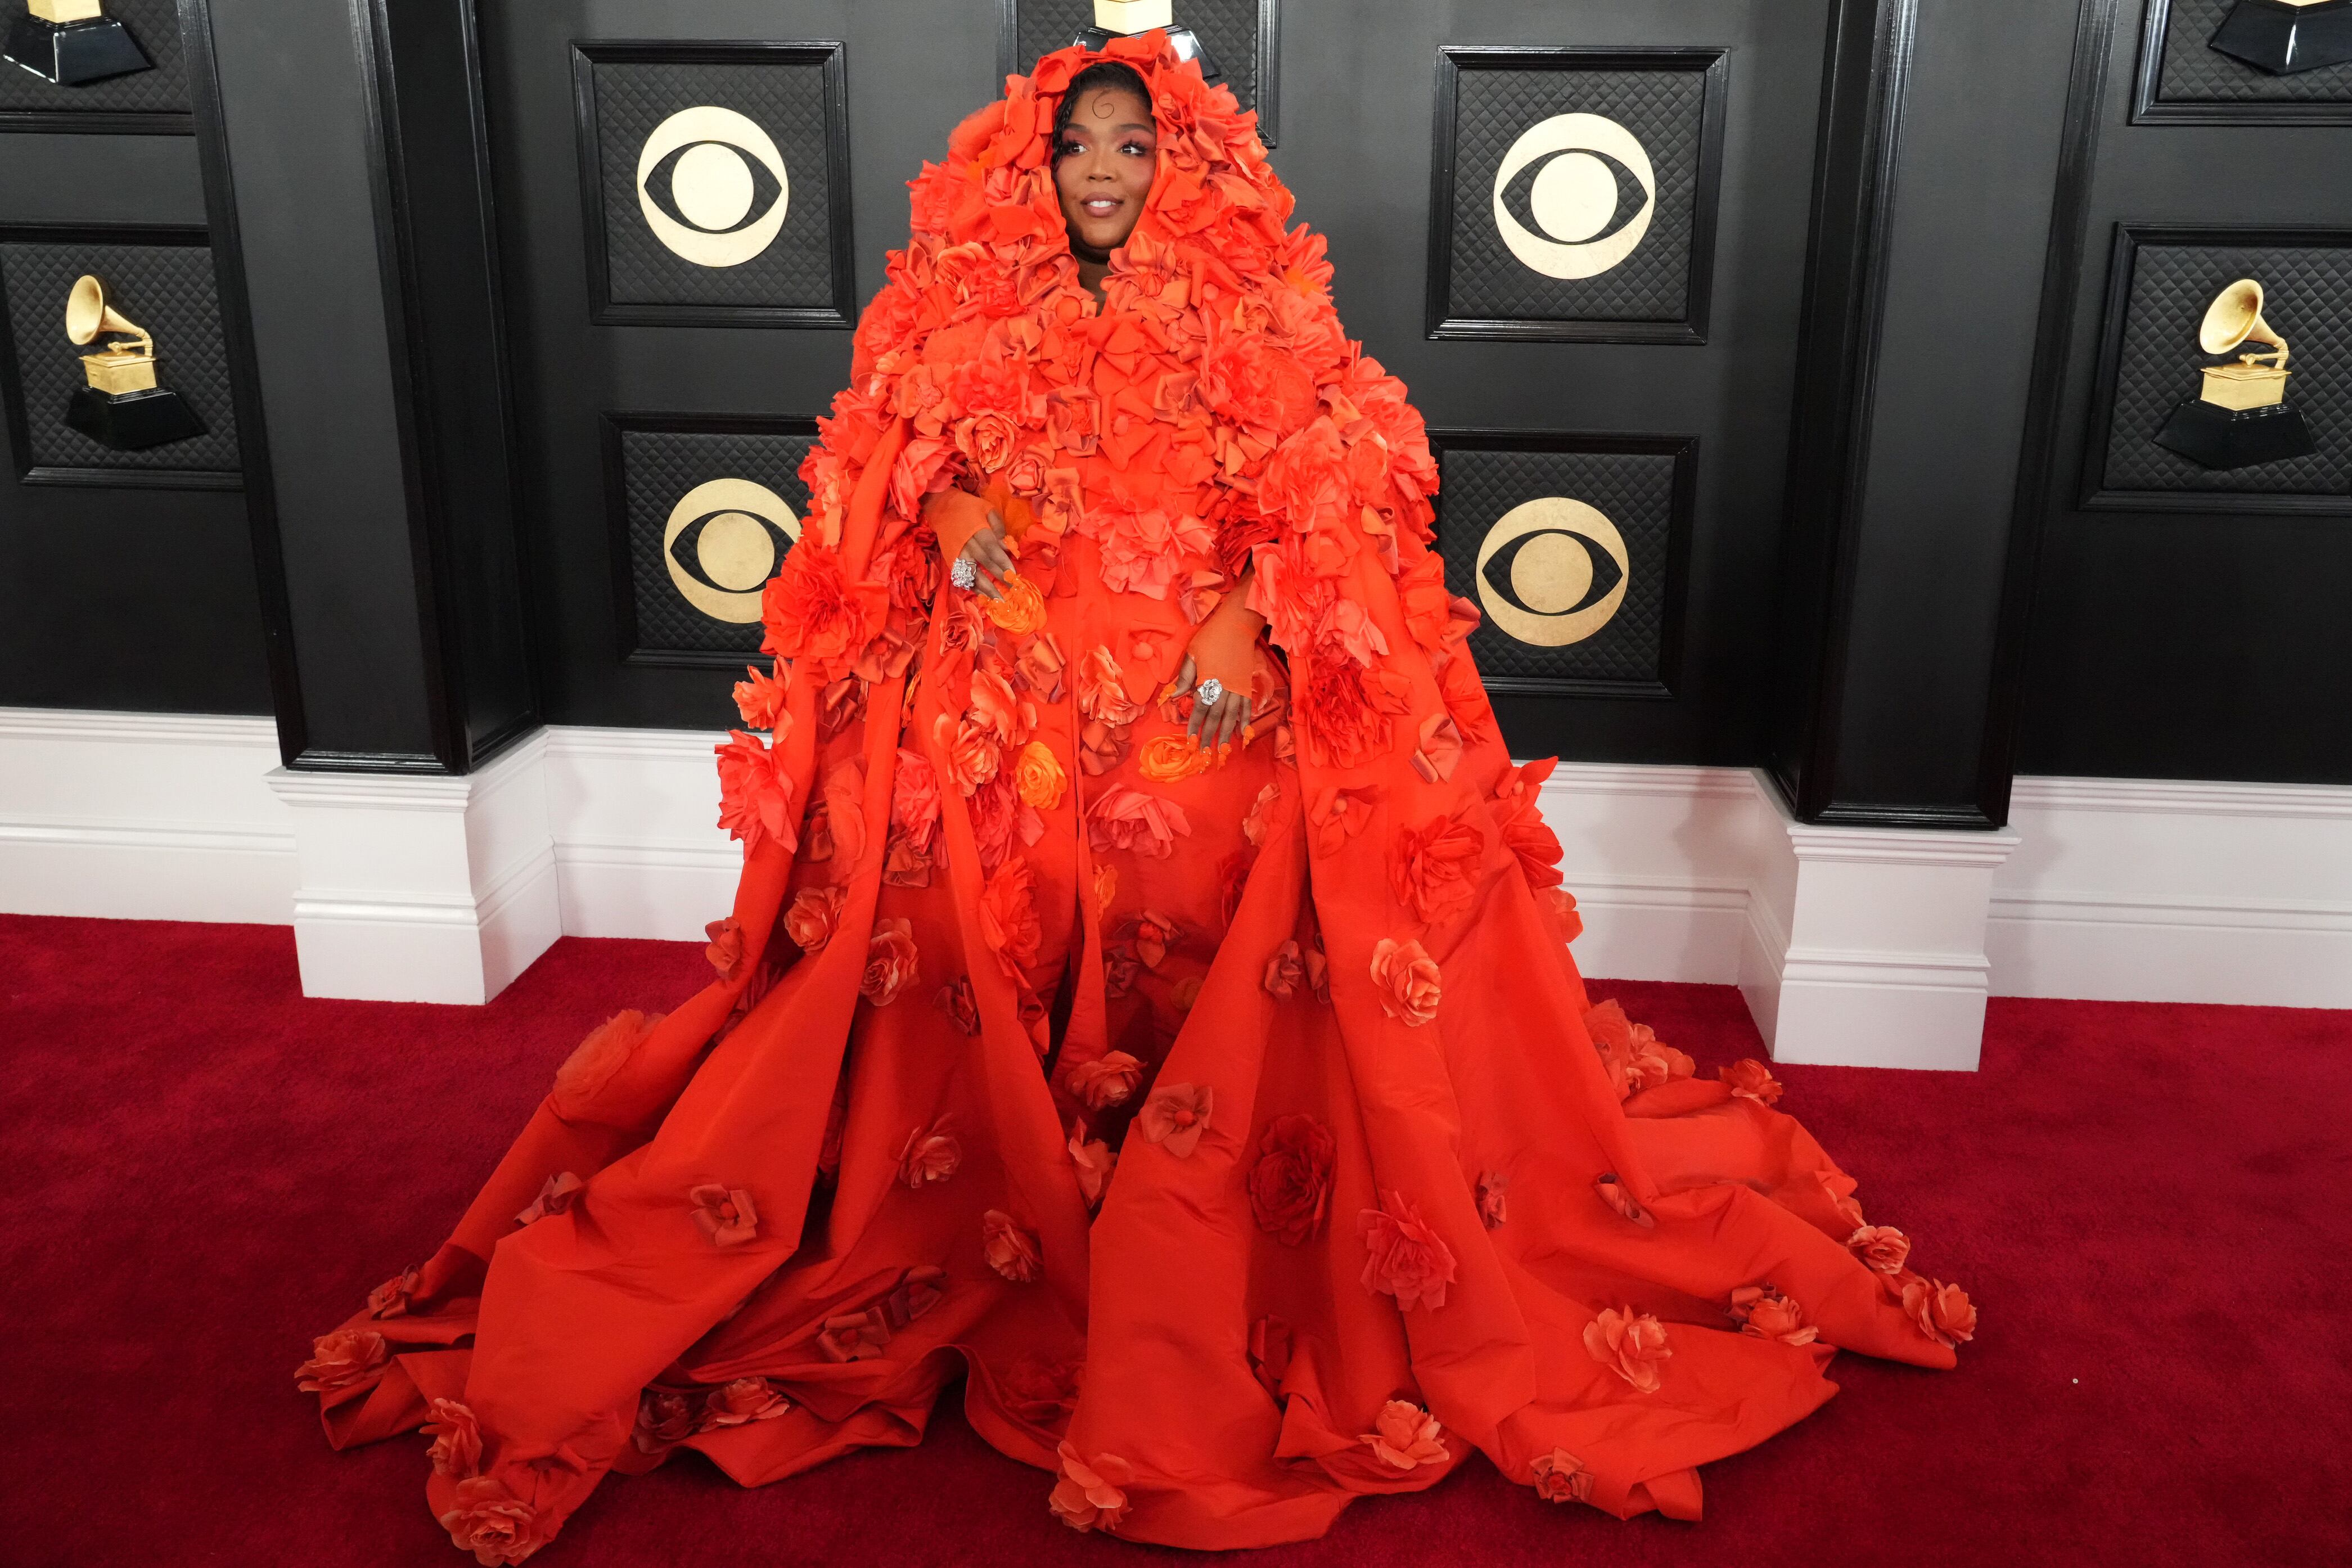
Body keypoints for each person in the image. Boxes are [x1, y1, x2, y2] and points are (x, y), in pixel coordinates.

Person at [296, 33, 1975, 1562]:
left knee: (1246, 839)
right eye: (1075, 148)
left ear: (1187, 166)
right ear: (1028, 168)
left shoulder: (1262, 304)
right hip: (1014, 689)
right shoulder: (955, 309)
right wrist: (946, 504)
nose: (1103, 173)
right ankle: (1014, 1172)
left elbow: (1365, 459)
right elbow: (871, 452)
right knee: (950, 865)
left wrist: (1254, 610)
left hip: (1200, 698)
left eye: (1132, 147)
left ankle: (1191, 1184)